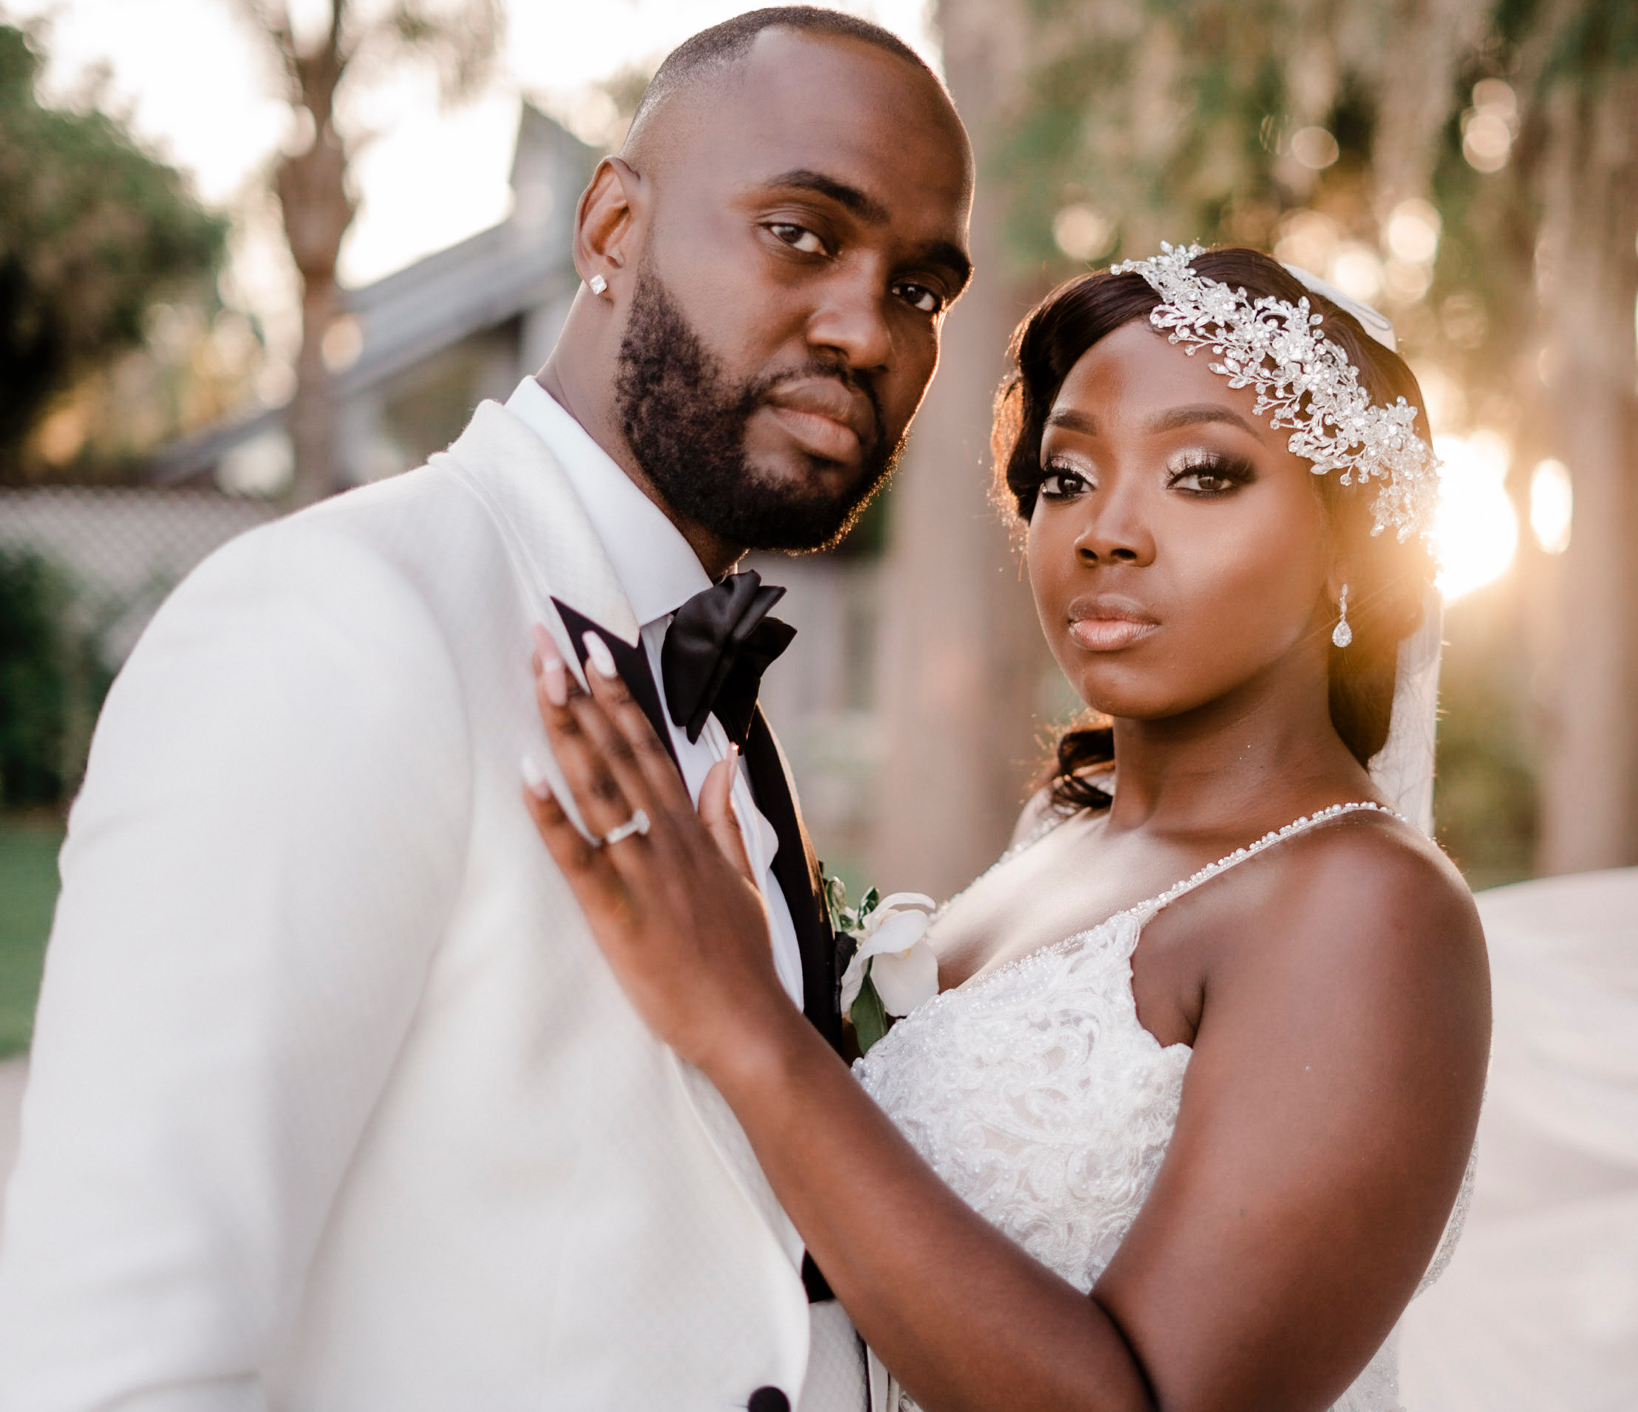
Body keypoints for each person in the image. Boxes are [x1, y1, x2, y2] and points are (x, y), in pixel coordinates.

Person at [0, 11, 971, 1410]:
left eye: (922, 291)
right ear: (611, 226)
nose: (865, 329)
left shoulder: (716, 693)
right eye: (804, 234)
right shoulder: (334, 625)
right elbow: (118, 1367)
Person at [523, 245, 1491, 1412]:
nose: (1103, 532)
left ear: (1350, 544)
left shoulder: (1365, 908)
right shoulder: (1058, 834)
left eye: (1198, 473)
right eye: (1065, 476)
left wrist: (745, 1025)